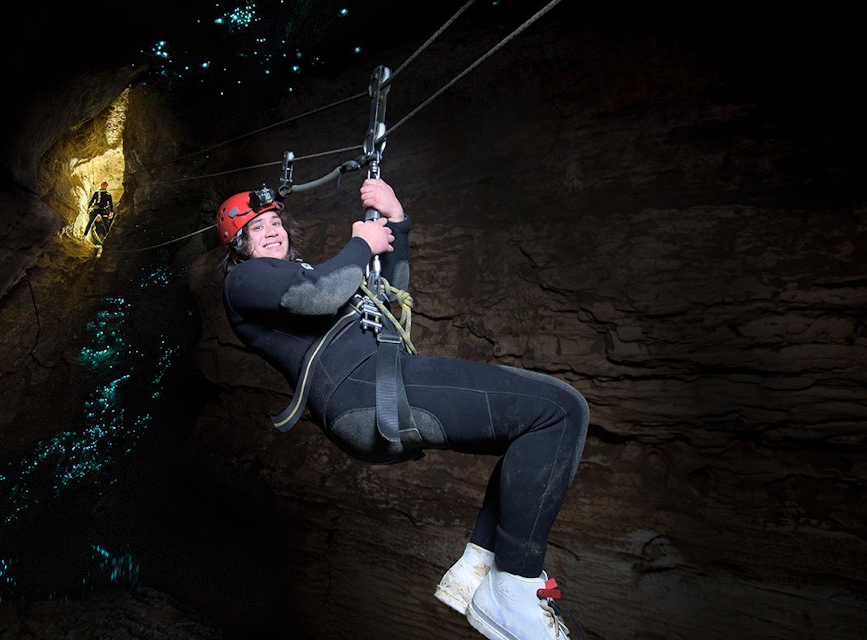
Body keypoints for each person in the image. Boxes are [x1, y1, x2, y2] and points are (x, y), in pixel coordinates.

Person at [216, 178, 589, 640]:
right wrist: (360, 242)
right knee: (559, 410)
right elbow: (319, 293)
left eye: (275, 222)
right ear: (238, 246)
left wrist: (397, 222)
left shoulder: (295, 274)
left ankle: (481, 567)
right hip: (363, 389)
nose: (272, 231)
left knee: (535, 425)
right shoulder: (244, 280)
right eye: (256, 228)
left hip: (375, 384)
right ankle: (513, 585)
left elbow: (390, 298)